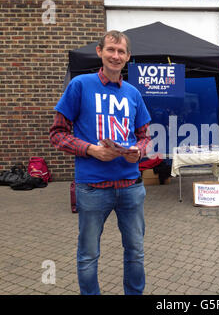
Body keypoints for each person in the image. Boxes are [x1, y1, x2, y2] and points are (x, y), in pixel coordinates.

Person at [50, 30, 151, 295]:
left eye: (121, 52)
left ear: (128, 57)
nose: (115, 56)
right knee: (88, 255)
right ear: (100, 52)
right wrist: (90, 149)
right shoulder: (80, 85)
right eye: (111, 50)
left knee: (136, 253)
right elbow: (57, 134)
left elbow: (144, 137)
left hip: (130, 186)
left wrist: (137, 152)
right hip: (92, 188)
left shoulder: (133, 94)